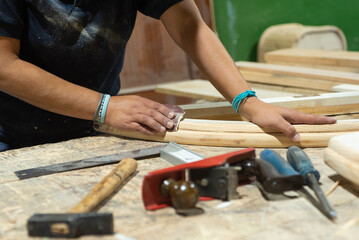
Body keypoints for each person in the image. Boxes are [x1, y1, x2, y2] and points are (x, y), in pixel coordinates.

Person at [0, 0, 336, 152]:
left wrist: (246, 101)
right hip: (9, 136)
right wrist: (105, 106)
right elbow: (4, 66)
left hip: (91, 130)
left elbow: (190, 26)